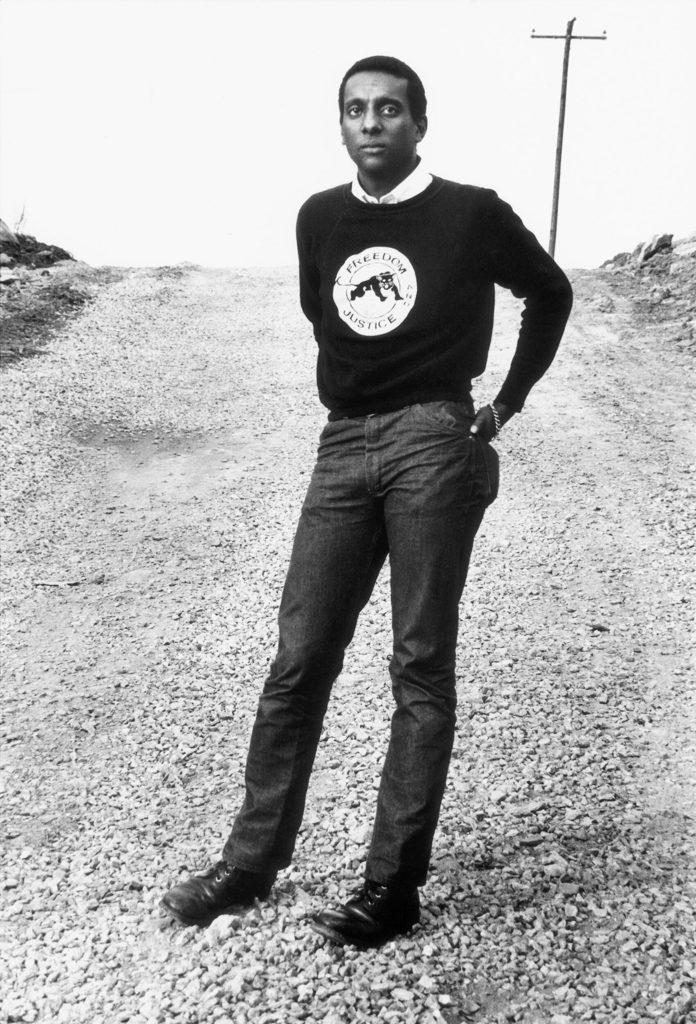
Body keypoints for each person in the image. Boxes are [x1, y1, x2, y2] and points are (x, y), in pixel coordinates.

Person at [161, 55, 573, 948]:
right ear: (341, 124)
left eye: (391, 108)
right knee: (297, 659)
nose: (373, 122)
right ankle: (249, 863)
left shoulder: (471, 212)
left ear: (420, 123)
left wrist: (503, 404)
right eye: (356, 109)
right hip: (342, 442)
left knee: (419, 664)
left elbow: (550, 292)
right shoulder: (321, 217)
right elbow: (329, 316)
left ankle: (391, 885)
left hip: (436, 438)